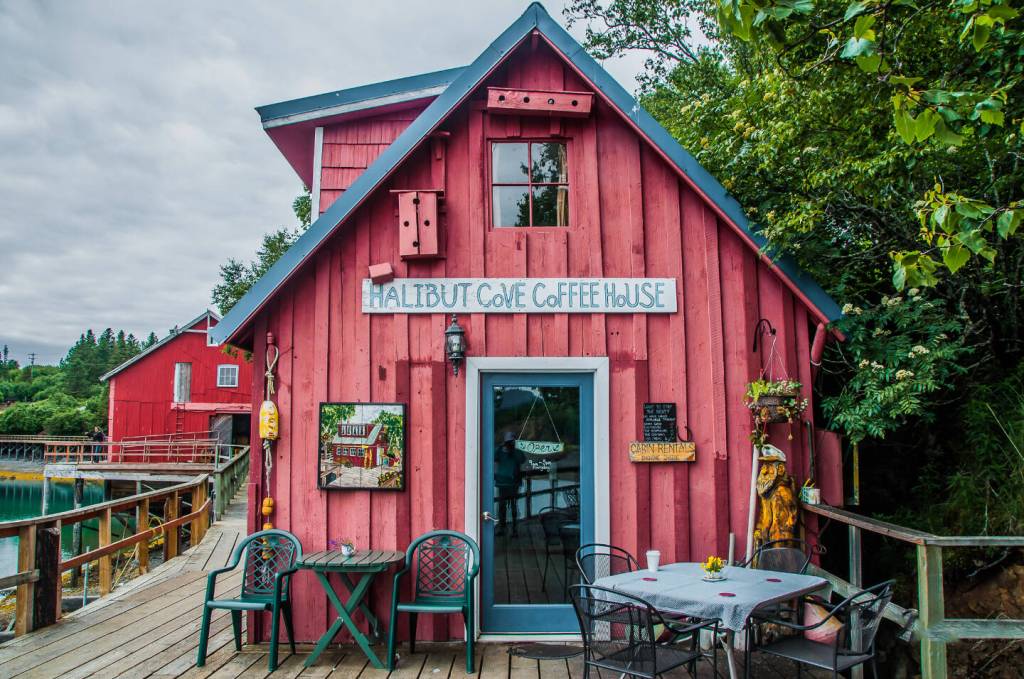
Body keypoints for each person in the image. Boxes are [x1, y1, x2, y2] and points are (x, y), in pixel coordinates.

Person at [494, 432, 526, 537]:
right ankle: (502, 528)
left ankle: (514, 529)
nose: (509, 444)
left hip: (513, 483)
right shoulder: (500, 452)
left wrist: (512, 450)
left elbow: (522, 460)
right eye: (508, 442)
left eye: (511, 442)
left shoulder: (517, 453)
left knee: (513, 506)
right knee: (502, 507)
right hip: (502, 483)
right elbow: (494, 457)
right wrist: (501, 447)